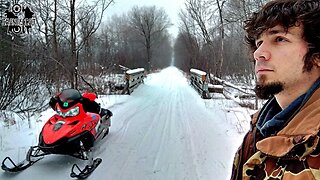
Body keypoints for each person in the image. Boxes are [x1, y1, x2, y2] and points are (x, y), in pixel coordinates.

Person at [231, 0, 320, 179]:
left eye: (279, 39)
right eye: (259, 43)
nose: (258, 53)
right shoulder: (258, 132)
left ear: (317, 56)